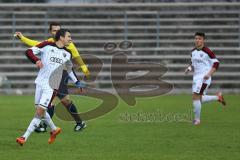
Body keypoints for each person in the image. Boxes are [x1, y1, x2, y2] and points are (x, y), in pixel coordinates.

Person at [16, 29, 85, 146]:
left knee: (39, 111)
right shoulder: (47, 45)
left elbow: (69, 69)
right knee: (39, 110)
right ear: (61, 37)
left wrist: (77, 82)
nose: (71, 39)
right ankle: (54, 129)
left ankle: (24, 137)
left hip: (52, 86)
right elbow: (28, 52)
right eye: (69, 36)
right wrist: (36, 60)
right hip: (40, 82)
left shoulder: (68, 53)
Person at [185, 32, 226, 125]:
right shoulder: (193, 51)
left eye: (199, 38)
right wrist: (189, 68)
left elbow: (216, 63)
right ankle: (218, 97)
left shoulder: (208, 51)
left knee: (195, 97)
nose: (197, 40)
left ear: (203, 40)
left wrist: (209, 74)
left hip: (204, 77)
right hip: (196, 77)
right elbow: (192, 63)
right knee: (199, 99)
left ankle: (197, 120)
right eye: (196, 38)